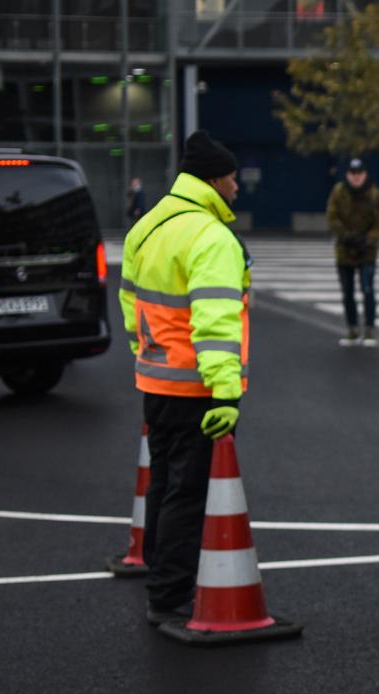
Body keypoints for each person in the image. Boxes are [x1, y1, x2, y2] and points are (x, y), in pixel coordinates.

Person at [119, 130, 252, 626]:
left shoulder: (148, 225)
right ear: (213, 180)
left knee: (163, 485)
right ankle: (171, 594)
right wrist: (226, 393)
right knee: (188, 491)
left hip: (156, 380)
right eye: (232, 178)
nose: (237, 186)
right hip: (197, 387)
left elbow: (130, 304)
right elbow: (215, 322)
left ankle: (160, 574)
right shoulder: (211, 237)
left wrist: (145, 355)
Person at [327, 158, 379, 346]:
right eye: (353, 174)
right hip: (344, 250)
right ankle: (352, 329)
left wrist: (367, 240)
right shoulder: (339, 192)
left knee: (367, 289)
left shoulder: (375, 195)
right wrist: (346, 236)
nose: (356, 177)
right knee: (347, 291)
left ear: (364, 174)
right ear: (347, 175)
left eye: (359, 173)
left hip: (367, 251)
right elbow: (332, 217)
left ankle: (369, 329)